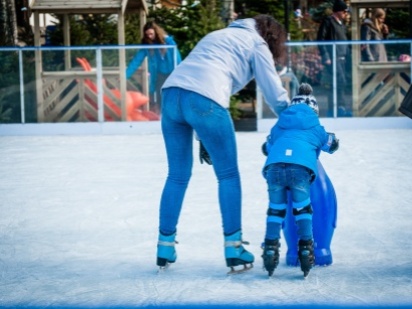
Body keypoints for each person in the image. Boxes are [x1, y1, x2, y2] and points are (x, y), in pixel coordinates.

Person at [156, 15, 290, 274]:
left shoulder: (216, 35)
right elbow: (273, 90)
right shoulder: (256, 43)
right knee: (228, 175)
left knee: (177, 175)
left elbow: (193, 81)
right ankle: (234, 246)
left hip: (171, 95)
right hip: (205, 100)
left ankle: (165, 245)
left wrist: (202, 135)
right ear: (272, 36)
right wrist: (294, 117)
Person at [260, 83, 339, 277]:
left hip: (275, 168)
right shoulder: (315, 125)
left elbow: (267, 146)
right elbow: (331, 144)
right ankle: (306, 249)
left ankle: (270, 249)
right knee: (303, 208)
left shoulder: (279, 125)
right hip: (301, 168)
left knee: (276, 209)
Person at [126, 21, 182, 114]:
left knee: (173, 96)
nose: (149, 36)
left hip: (172, 74)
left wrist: (180, 74)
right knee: (160, 97)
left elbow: (177, 58)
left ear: (156, 32)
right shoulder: (147, 46)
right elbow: (136, 61)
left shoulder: (168, 42)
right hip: (159, 75)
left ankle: (175, 117)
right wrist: (125, 75)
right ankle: (162, 118)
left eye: (151, 34)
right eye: (147, 34)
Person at [317, 0, 350, 117]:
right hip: (333, 58)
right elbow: (320, 40)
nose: (346, 14)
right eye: (345, 11)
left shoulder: (341, 24)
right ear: (339, 11)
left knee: (340, 82)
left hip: (342, 58)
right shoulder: (328, 22)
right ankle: (337, 109)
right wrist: (326, 56)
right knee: (338, 82)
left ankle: (338, 108)